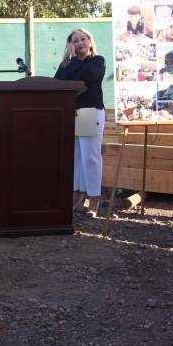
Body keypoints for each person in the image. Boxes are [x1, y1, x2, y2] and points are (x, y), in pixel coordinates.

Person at [53, 29, 106, 218]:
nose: (80, 42)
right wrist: (69, 59)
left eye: (83, 39)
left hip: (88, 112)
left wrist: (73, 57)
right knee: (75, 158)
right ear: (70, 44)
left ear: (90, 41)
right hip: (70, 113)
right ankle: (78, 196)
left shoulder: (97, 61)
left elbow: (86, 75)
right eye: (75, 40)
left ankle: (94, 199)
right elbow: (57, 82)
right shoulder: (66, 64)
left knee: (90, 159)